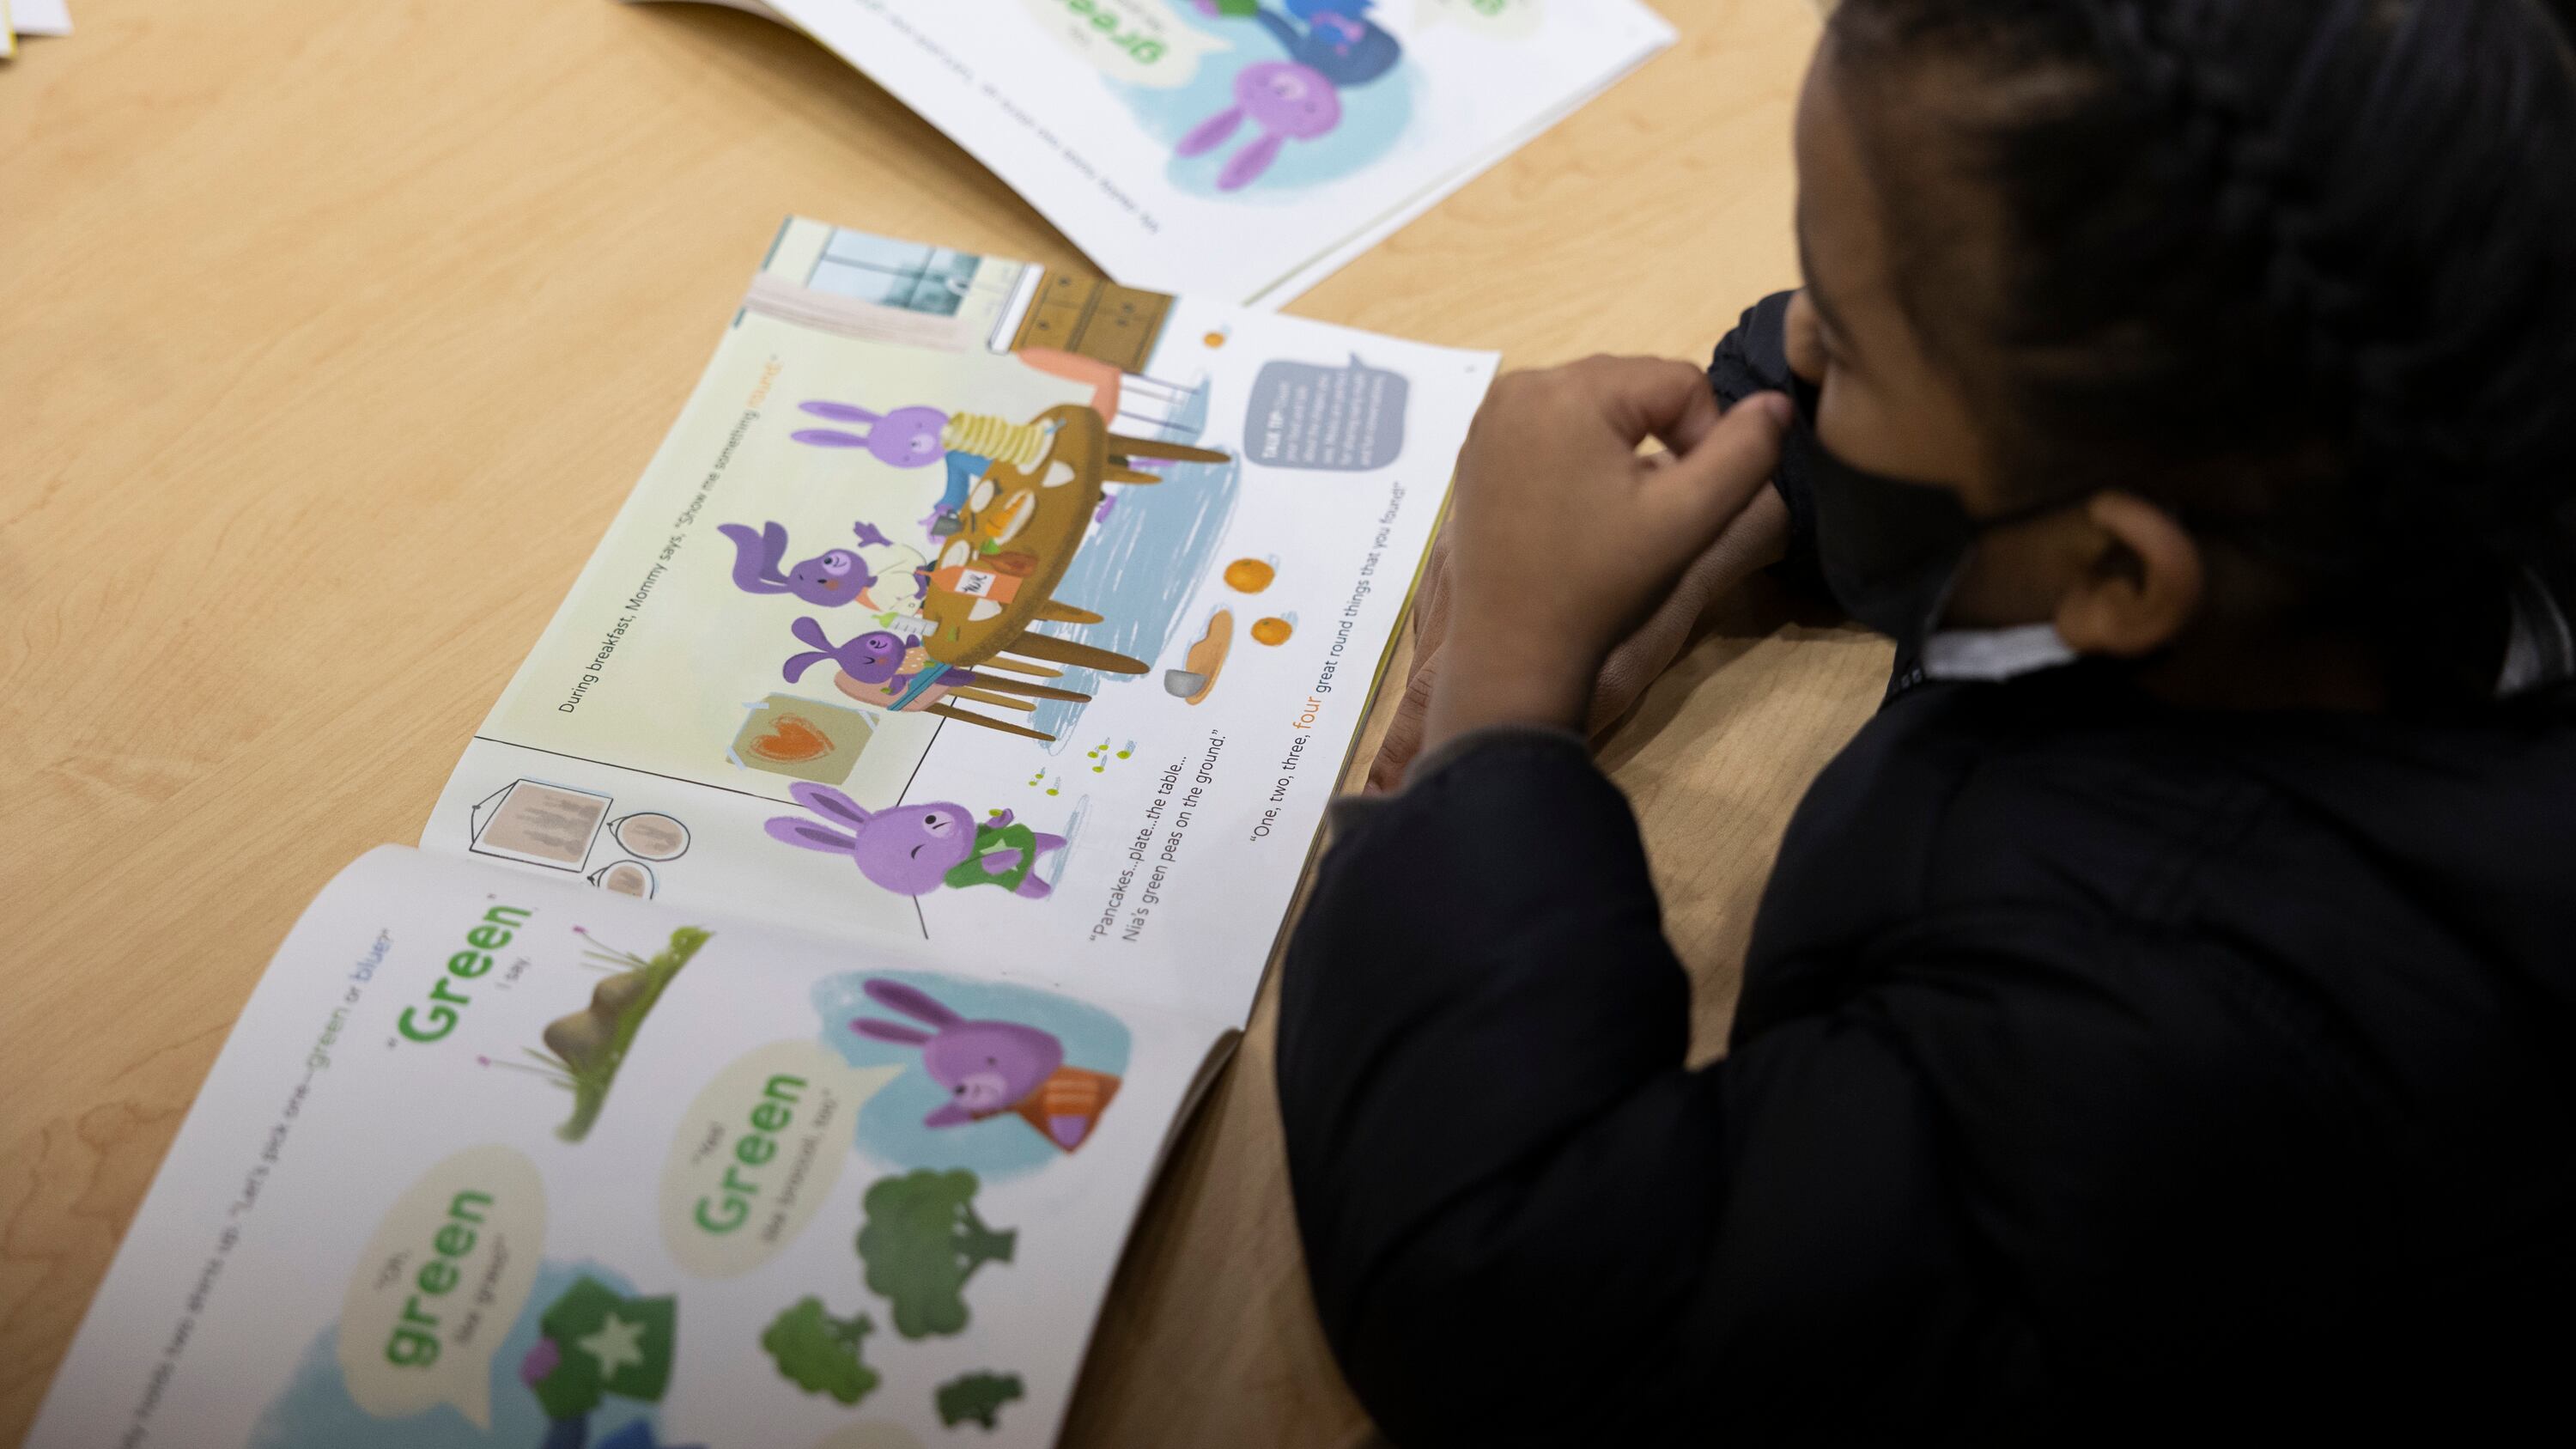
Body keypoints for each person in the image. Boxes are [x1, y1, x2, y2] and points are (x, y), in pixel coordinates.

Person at [1276, 0, 2576, 1440]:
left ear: (2113, 574)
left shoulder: (2173, 1051)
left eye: (1853, 338)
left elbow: (1516, 1303)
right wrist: (1759, 487)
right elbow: (2011, 357)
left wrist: (1500, 702)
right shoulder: (2374, 403)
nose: (1799, 335)